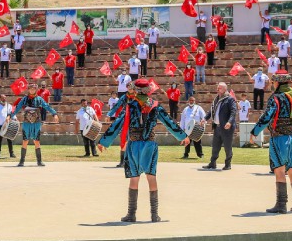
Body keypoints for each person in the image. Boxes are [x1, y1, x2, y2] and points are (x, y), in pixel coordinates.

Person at [98, 79, 190, 222]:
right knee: (151, 177)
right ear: (148, 90)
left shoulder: (130, 106)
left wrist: (104, 141)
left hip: (134, 145)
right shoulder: (156, 106)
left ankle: (131, 214)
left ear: (136, 90)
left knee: (134, 178)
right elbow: (169, 122)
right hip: (149, 144)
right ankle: (154, 215)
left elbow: (117, 123)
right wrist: (183, 136)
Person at [249, 70, 292, 214]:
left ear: (278, 83)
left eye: (273, 82)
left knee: (279, 170)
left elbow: (267, 116)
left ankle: (281, 204)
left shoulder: (276, 98)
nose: (273, 84)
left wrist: (255, 132)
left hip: (279, 138)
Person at [12, 83, 58, 167]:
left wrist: (54, 114)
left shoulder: (39, 99)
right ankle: (22, 161)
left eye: (33, 89)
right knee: (25, 141)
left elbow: (47, 106)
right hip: (26, 123)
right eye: (30, 88)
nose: (32, 90)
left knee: (37, 141)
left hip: (36, 123)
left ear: (36, 90)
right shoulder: (24, 99)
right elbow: (17, 107)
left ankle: (39, 161)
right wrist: (9, 116)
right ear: (28, 89)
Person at [202, 82, 238, 170]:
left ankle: (228, 164)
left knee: (227, 146)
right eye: (217, 88)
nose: (217, 89)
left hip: (226, 128)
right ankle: (212, 163)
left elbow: (233, 112)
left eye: (220, 88)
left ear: (225, 89)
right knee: (215, 146)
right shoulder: (216, 99)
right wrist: (205, 118)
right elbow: (211, 111)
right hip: (217, 127)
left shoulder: (230, 99)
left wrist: (229, 122)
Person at [0, 95, 15, 159]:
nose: (4, 99)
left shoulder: (9, 106)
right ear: (0, 98)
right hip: (0, 125)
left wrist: (14, 119)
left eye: (5, 98)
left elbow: (12, 114)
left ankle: (11, 153)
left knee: (9, 140)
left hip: (8, 125)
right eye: (3, 98)